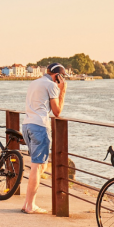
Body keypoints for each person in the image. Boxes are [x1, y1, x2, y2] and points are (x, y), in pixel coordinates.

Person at [21, 63, 67, 214]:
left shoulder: (34, 83)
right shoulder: (51, 85)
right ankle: (30, 206)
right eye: (62, 77)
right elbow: (57, 112)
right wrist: (62, 91)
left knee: (39, 166)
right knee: (37, 166)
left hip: (27, 125)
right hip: (40, 126)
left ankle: (27, 203)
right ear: (58, 76)